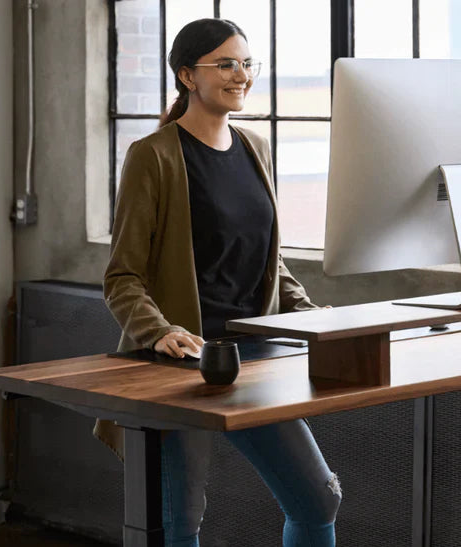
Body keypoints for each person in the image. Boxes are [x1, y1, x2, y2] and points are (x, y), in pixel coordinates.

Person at [94, 18, 342, 547]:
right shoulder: (153, 156)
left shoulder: (256, 148)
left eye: (247, 63)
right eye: (226, 64)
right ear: (187, 75)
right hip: (184, 365)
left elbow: (267, 260)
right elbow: (122, 276)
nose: (242, 75)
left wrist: (306, 310)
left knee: (318, 498)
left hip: (257, 356)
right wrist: (160, 331)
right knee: (178, 523)